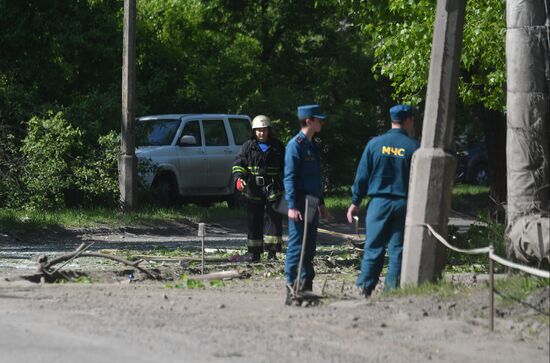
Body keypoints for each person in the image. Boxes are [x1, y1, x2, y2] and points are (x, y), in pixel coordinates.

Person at [346, 104, 419, 297]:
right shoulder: (414, 147)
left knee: (373, 246)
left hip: (378, 204)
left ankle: (365, 287)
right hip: (404, 204)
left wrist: (355, 202)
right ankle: (391, 290)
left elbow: (362, 176)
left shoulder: (375, 144)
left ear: (392, 120)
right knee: (398, 249)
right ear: (408, 121)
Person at [284, 104, 330, 304]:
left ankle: (306, 286)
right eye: (319, 119)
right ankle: (291, 288)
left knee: (309, 246)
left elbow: (316, 177)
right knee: (297, 246)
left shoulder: (312, 144)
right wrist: (292, 206)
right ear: (309, 121)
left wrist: (321, 202)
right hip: (300, 202)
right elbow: (290, 177)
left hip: (311, 201)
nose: (322, 123)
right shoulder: (295, 145)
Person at [232, 115, 285, 261]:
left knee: (274, 220)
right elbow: (238, 165)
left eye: (264, 130)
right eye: (258, 130)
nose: (261, 133)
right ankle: (255, 253)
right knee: (254, 220)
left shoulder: (278, 147)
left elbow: (287, 168)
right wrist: (239, 179)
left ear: (269, 130)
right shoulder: (247, 146)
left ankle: (272, 253)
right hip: (253, 188)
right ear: (254, 131)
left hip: (273, 188)